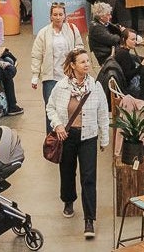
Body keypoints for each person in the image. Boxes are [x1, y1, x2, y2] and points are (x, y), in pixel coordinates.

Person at [45, 49, 110, 239]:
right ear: (73, 65)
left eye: (87, 61)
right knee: (67, 172)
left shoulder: (95, 87)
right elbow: (50, 107)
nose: (87, 64)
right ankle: (68, 200)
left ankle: (89, 219)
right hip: (67, 136)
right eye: (82, 62)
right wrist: (58, 125)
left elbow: (103, 113)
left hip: (88, 136)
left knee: (89, 177)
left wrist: (104, 138)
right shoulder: (61, 87)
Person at [31, 3, 82, 130]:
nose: (58, 17)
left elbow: (80, 47)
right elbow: (36, 55)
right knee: (51, 110)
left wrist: (75, 53)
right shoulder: (43, 33)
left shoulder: (72, 29)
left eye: (60, 14)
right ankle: (51, 139)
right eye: (55, 15)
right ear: (50, 16)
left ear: (65, 16)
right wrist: (35, 76)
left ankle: (68, 137)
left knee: (70, 109)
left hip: (69, 77)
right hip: (51, 78)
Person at [87, 2, 122, 67]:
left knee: (133, 58)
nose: (110, 16)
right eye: (108, 15)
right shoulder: (96, 28)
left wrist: (119, 28)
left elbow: (113, 30)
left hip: (112, 53)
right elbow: (112, 40)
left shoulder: (102, 23)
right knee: (129, 59)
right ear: (101, 16)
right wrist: (120, 35)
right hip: (106, 57)